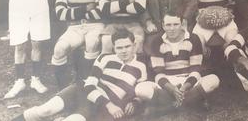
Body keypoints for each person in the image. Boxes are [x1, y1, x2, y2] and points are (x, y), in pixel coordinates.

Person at [13, 29, 147, 121]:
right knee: (45, 110)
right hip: (82, 90)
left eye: (127, 46)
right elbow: (89, 84)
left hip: (96, 105)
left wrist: (134, 102)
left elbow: (140, 91)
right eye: (119, 47)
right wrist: (109, 105)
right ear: (113, 47)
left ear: (134, 45)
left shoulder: (141, 67)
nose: (123, 51)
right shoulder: (105, 58)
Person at [136, 13, 220, 116]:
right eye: (168, 25)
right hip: (167, 83)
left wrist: (184, 87)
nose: (172, 28)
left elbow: (195, 70)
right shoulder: (156, 41)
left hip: (188, 81)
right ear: (163, 25)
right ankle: (192, 102)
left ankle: (166, 108)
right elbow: (159, 73)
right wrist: (172, 89)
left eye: (176, 24)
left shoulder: (193, 39)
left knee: (213, 80)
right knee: (140, 89)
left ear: (182, 24)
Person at [51, 0, 103, 88]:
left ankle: (87, 84)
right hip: (74, 27)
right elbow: (61, 14)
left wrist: (73, 12)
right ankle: (63, 88)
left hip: (95, 25)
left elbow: (101, 12)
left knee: (92, 43)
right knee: (59, 49)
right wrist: (86, 8)